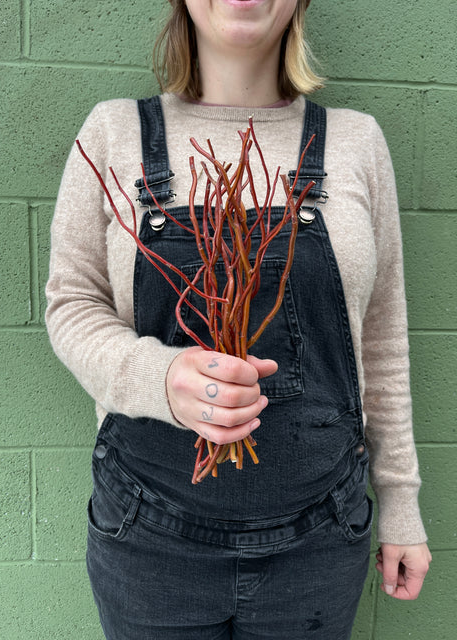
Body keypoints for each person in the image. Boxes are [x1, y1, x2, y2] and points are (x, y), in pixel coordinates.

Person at [46, 1, 431, 638]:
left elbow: (382, 340)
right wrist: (160, 377)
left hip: (320, 539)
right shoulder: (113, 133)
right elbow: (70, 305)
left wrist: (401, 504)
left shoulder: (357, 143)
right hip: (147, 538)